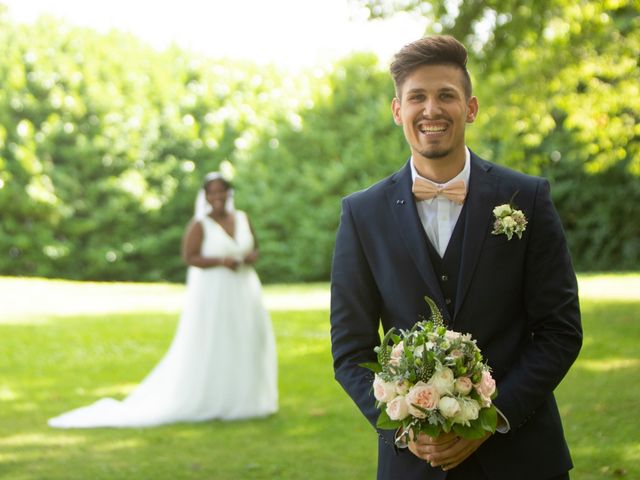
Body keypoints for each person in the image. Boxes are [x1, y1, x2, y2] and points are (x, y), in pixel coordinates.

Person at [329, 35, 582, 480]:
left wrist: (492, 419)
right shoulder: (361, 214)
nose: (431, 110)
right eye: (417, 98)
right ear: (396, 111)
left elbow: (559, 330)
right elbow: (350, 350)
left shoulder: (528, 198)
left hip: (523, 459)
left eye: (446, 95)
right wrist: (407, 428)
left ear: (470, 107)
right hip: (414, 464)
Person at [49, 172, 278, 428]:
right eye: (211, 191)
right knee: (216, 341)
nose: (217, 196)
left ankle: (248, 400)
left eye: (221, 190)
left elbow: (254, 247)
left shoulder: (242, 218)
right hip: (215, 293)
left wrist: (249, 258)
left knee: (248, 339)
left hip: (245, 290)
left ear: (229, 193)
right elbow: (189, 257)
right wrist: (220, 262)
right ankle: (216, 399)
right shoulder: (199, 224)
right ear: (205, 196)